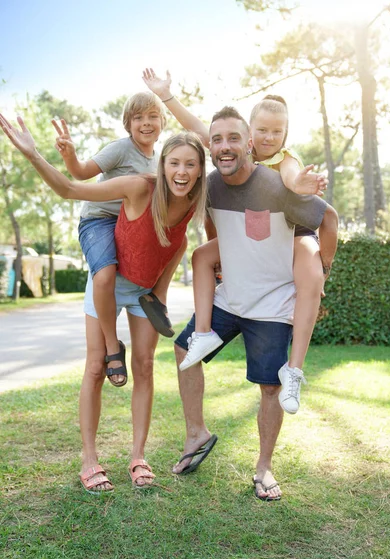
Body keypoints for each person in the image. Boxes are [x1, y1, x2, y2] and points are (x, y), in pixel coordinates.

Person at [0, 112, 206, 494]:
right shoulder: (139, 186)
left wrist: (159, 298)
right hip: (107, 286)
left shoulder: (193, 202)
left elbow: (176, 244)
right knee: (96, 367)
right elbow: (69, 189)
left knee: (144, 366)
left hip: (143, 292)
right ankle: (90, 459)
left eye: (190, 164)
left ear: (198, 171)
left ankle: (138, 456)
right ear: (161, 166)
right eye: (174, 163)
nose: (181, 171)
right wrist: (33, 154)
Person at [169, 106, 337, 500]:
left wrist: (321, 273)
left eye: (233, 139)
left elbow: (327, 218)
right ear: (210, 146)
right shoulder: (208, 184)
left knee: (269, 387)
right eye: (217, 139)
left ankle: (264, 468)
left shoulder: (279, 185)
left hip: (273, 305)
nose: (224, 146)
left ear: (249, 144)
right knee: (183, 351)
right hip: (230, 297)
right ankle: (197, 434)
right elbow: (211, 223)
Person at [143, 69, 328, 414]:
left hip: (294, 230)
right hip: (255, 232)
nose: (269, 137)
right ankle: (203, 333)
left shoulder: (286, 162)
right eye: (262, 130)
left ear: (284, 134)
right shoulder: (237, 156)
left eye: (277, 131)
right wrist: (167, 97)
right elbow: (204, 132)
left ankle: (295, 368)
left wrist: (301, 186)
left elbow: (296, 184)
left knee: (312, 281)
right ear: (251, 137)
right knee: (201, 256)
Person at [52, 91, 177, 389]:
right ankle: (112, 347)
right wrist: (70, 155)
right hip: (98, 222)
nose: (146, 124)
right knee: (105, 275)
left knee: (176, 240)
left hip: (130, 225)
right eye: (138, 118)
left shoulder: (161, 162)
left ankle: (156, 298)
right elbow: (80, 173)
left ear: (162, 122)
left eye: (152, 117)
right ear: (128, 124)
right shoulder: (120, 149)